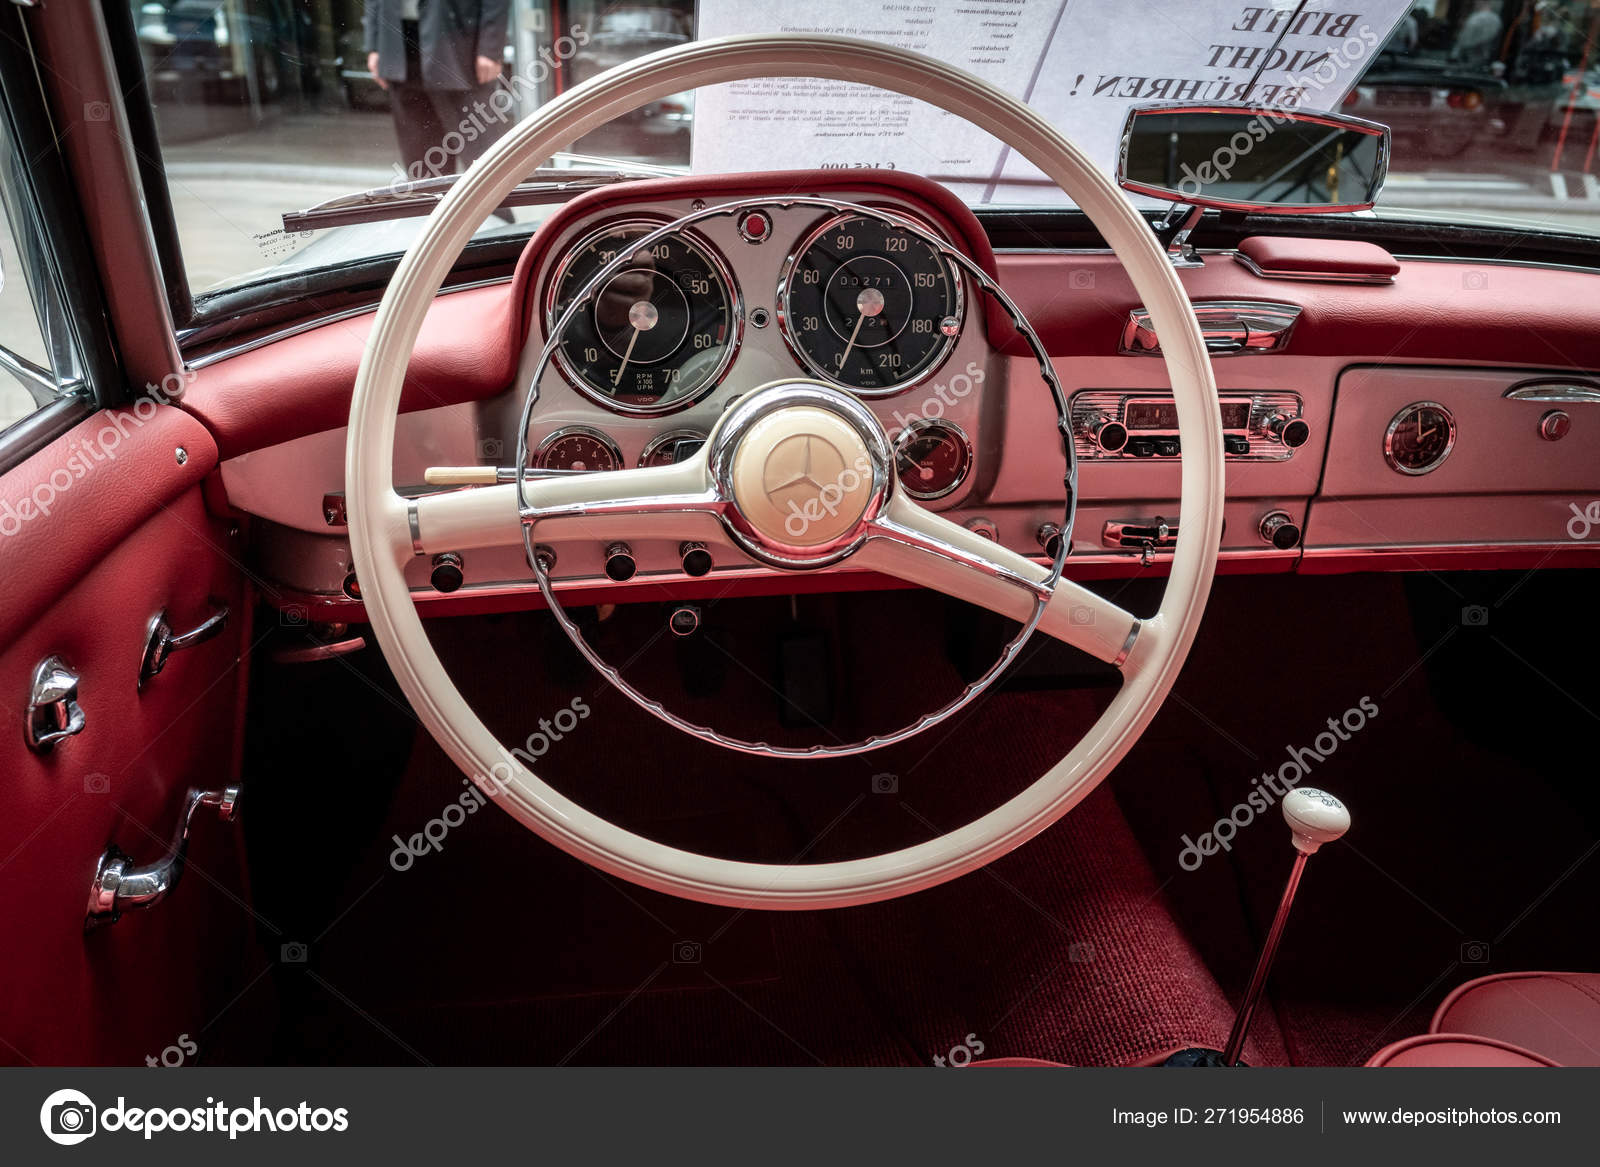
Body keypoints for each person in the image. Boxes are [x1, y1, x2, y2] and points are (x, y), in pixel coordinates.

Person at [363, 0, 511, 182]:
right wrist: (374, 44)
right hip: (398, 42)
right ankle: (432, 208)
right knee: (422, 159)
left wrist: (490, 47)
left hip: (458, 41)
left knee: (481, 154)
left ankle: (495, 210)